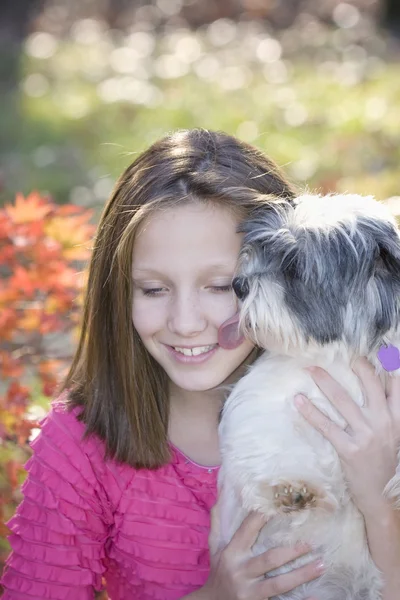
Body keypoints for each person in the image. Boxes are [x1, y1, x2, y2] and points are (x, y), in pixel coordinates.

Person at [1, 129, 399, 600]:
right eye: (153, 290)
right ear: (116, 292)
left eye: (222, 286)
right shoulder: (82, 444)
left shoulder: (370, 408)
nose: (186, 323)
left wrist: (378, 501)